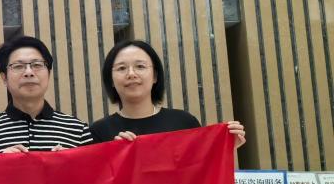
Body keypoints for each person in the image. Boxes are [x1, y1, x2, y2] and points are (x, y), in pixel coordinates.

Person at [90, 39, 248, 147]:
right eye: (121, 68)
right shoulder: (98, 132)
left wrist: (225, 147)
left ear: (155, 76)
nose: (131, 74)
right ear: (111, 80)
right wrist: (114, 155)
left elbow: (202, 171)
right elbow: (93, 182)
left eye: (140, 66)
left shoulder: (184, 123)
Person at [0, 36, 93, 153]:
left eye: (37, 65)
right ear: (4, 77)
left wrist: (72, 162)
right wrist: (0, 163)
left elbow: (93, 170)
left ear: (49, 74)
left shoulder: (78, 130)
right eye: (18, 66)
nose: (29, 72)